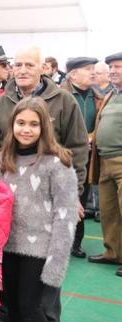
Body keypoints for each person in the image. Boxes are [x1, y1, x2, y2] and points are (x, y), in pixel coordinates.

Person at [0, 46, 88, 322]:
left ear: (42, 68)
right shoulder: (3, 101)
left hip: (41, 238)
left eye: (29, 65)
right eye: (18, 64)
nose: (22, 70)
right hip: (9, 239)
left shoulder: (64, 100)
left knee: (37, 307)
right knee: (11, 305)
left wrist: (75, 196)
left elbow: (78, 148)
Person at [61, 57, 104, 258]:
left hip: (88, 157)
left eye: (94, 69)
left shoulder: (99, 96)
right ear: (73, 74)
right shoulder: (61, 95)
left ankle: (75, 243)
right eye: (88, 69)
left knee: (82, 197)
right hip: (64, 155)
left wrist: (93, 135)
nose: (93, 72)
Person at [88, 52, 122, 277]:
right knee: (109, 211)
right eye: (111, 67)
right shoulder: (112, 94)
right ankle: (114, 252)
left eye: (118, 67)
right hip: (105, 160)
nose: (112, 71)